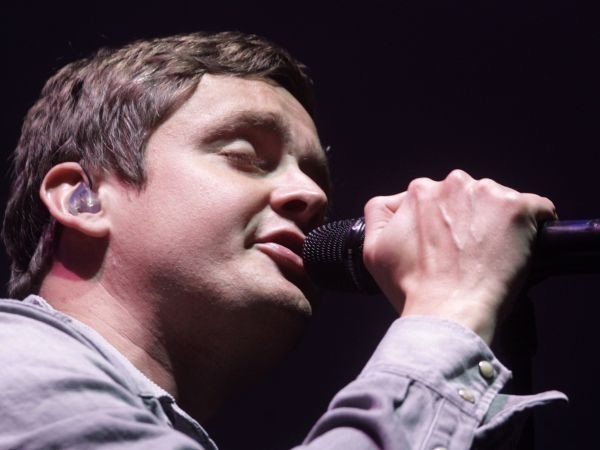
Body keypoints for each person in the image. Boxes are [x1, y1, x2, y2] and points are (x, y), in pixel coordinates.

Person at [0, 31, 565, 449]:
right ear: (83, 198)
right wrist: (449, 309)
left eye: (316, 178)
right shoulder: (17, 365)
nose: (311, 195)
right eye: (245, 156)